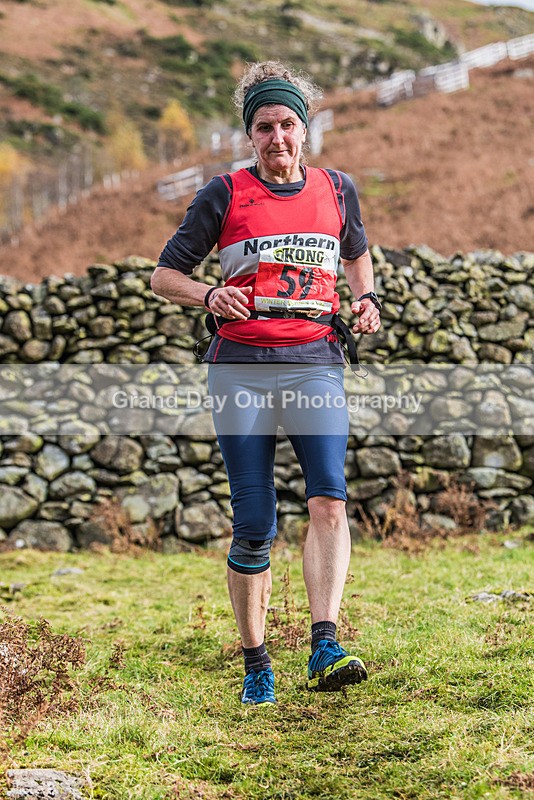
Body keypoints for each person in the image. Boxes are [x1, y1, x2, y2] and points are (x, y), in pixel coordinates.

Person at [151, 60, 381, 706]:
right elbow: (163, 275)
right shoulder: (223, 194)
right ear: (249, 135)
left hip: (315, 362)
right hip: (241, 371)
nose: (277, 137)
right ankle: (257, 666)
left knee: (329, 499)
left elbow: (356, 252)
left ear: (304, 128)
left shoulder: (337, 189)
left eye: (287, 124)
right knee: (255, 522)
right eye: (264, 127)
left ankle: (325, 644)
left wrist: (366, 298)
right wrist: (208, 295)